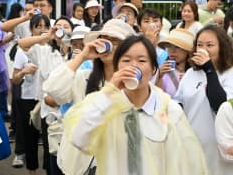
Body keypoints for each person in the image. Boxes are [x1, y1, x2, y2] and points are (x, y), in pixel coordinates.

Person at [64, 35, 208, 175]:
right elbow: (80, 140)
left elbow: (184, 162)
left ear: (153, 68)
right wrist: (109, 93)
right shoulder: (103, 103)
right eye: (126, 60)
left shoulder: (169, 109)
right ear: (116, 67)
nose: (133, 66)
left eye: (142, 60)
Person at [43, 19, 136, 175]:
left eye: (116, 41)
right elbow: (52, 90)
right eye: (105, 39)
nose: (109, 45)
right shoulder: (83, 78)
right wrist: (82, 57)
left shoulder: (133, 86)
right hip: (78, 165)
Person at [18, 16, 73, 175]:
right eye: (58, 26)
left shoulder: (79, 52)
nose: (61, 28)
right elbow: (22, 44)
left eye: (66, 26)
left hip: (72, 111)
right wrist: (46, 36)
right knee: (52, 153)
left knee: (72, 154)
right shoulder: (44, 51)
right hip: (50, 111)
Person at [175, 25, 233, 174]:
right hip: (191, 146)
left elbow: (220, 105)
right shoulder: (190, 73)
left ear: (222, 47)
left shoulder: (229, 74)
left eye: (210, 45)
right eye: (199, 45)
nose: (203, 49)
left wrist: (209, 69)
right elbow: (179, 102)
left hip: (219, 151)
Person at [12, 15, 51, 173]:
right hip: (28, 98)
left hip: (48, 99)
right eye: (38, 26)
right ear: (31, 29)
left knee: (49, 139)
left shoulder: (53, 49)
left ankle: (50, 170)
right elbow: (14, 79)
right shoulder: (22, 51)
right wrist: (23, 72)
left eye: (45, 26)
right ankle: (32, 171)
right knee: (30, 138)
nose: (42, 30)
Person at [156, 28, 194, 100]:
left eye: (177, 47)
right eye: (169, 46)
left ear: (188, 51)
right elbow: (158, 98)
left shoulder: (196, 73)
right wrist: (159, 77)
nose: (172, 51)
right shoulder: (163, 70)